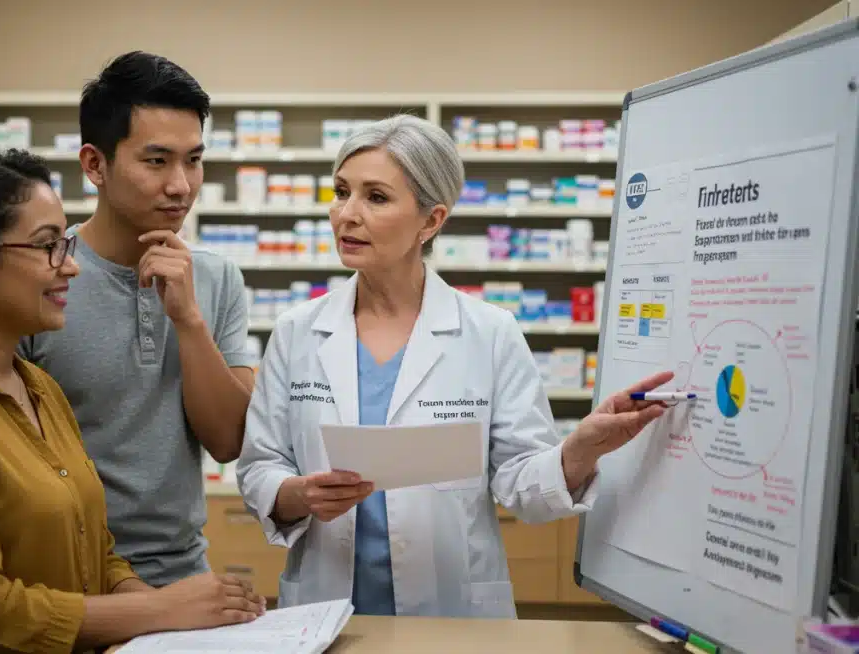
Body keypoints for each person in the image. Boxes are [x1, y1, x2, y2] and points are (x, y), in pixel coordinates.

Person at [235, 114, 673, 618]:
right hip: (323, 609)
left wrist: (579, 449)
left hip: (454, 614)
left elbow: (522, 486)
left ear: (431, 221)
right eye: (340, 192)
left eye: (375, 197)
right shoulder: (297, 331)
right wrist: (298, 494)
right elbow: (259, 467)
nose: (345, 214)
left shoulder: (489, 332)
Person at [0, 147, 264, 654]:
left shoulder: (37, 387)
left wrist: (166, 619)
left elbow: (98, 553)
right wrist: (159, 610)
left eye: (64, 243)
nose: (71, 268)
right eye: (47, 247)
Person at [19, 51, 258, 588]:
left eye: (193, 160)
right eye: (157, 161)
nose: (181, 185)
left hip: (185, 573)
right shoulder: (42, 276)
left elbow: (228, 441)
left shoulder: (217, 280)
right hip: (63, 578)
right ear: (94, 164)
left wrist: (189, 320)